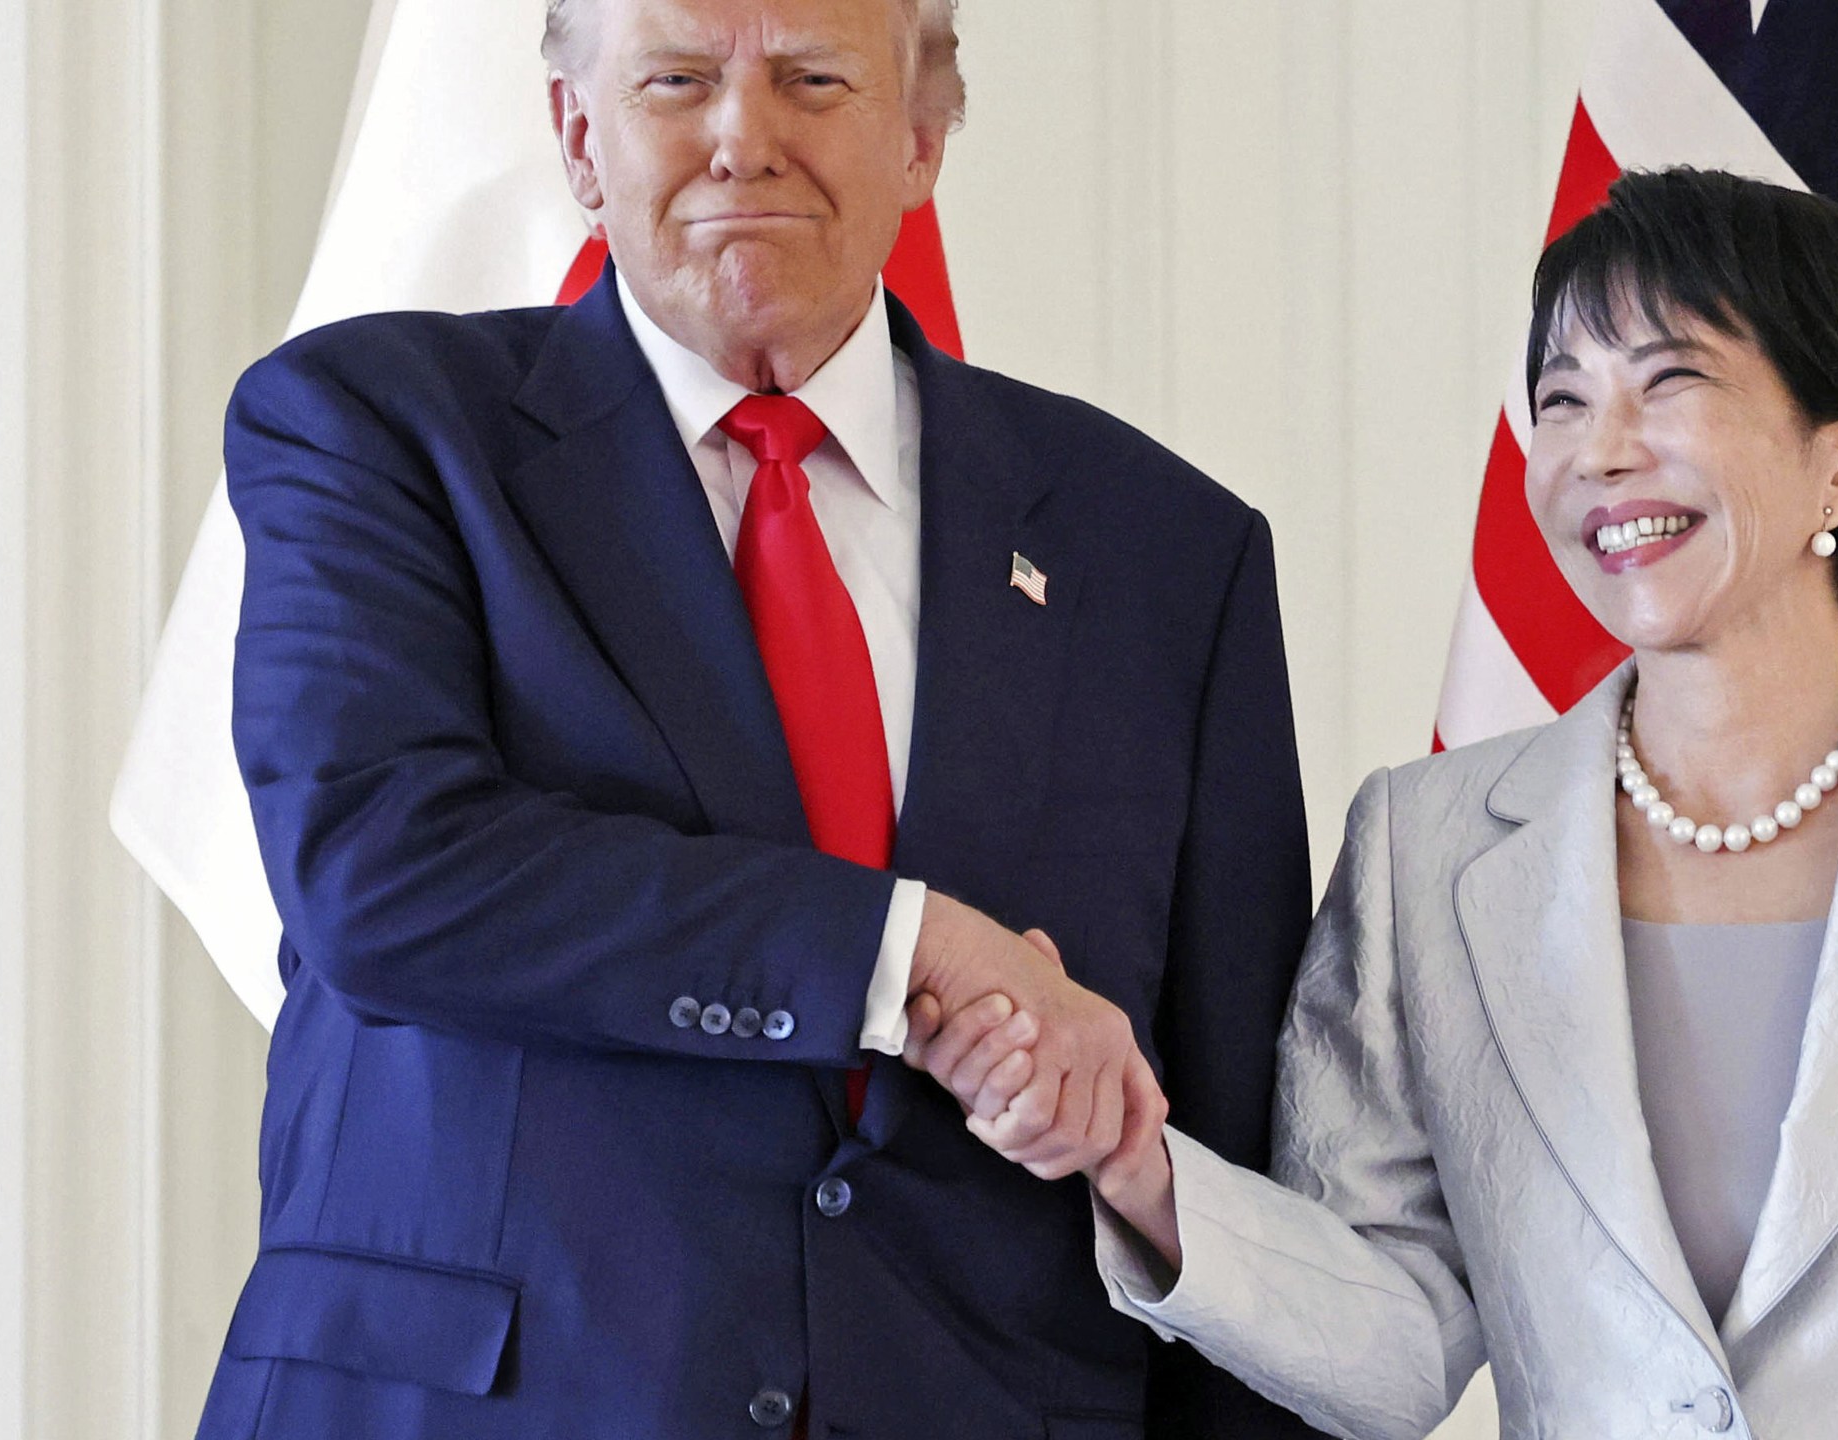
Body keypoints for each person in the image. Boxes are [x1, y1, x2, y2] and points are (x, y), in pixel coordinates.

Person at [914, 168, 1838, 1439]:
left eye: (1668, 384)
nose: (1595, 453)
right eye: (1559, 399)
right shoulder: (1421, 849)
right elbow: (1397, 1348)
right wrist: (1137, 1164)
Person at [195, 0, 1321, 1436]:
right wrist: (906, 951)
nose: (745, 137)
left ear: (922, 135)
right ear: (577, 138)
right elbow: (382, 871)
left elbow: (1230, 1169)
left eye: (811, 79)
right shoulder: (378, 430)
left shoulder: (1164, 551)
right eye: (677, 81)